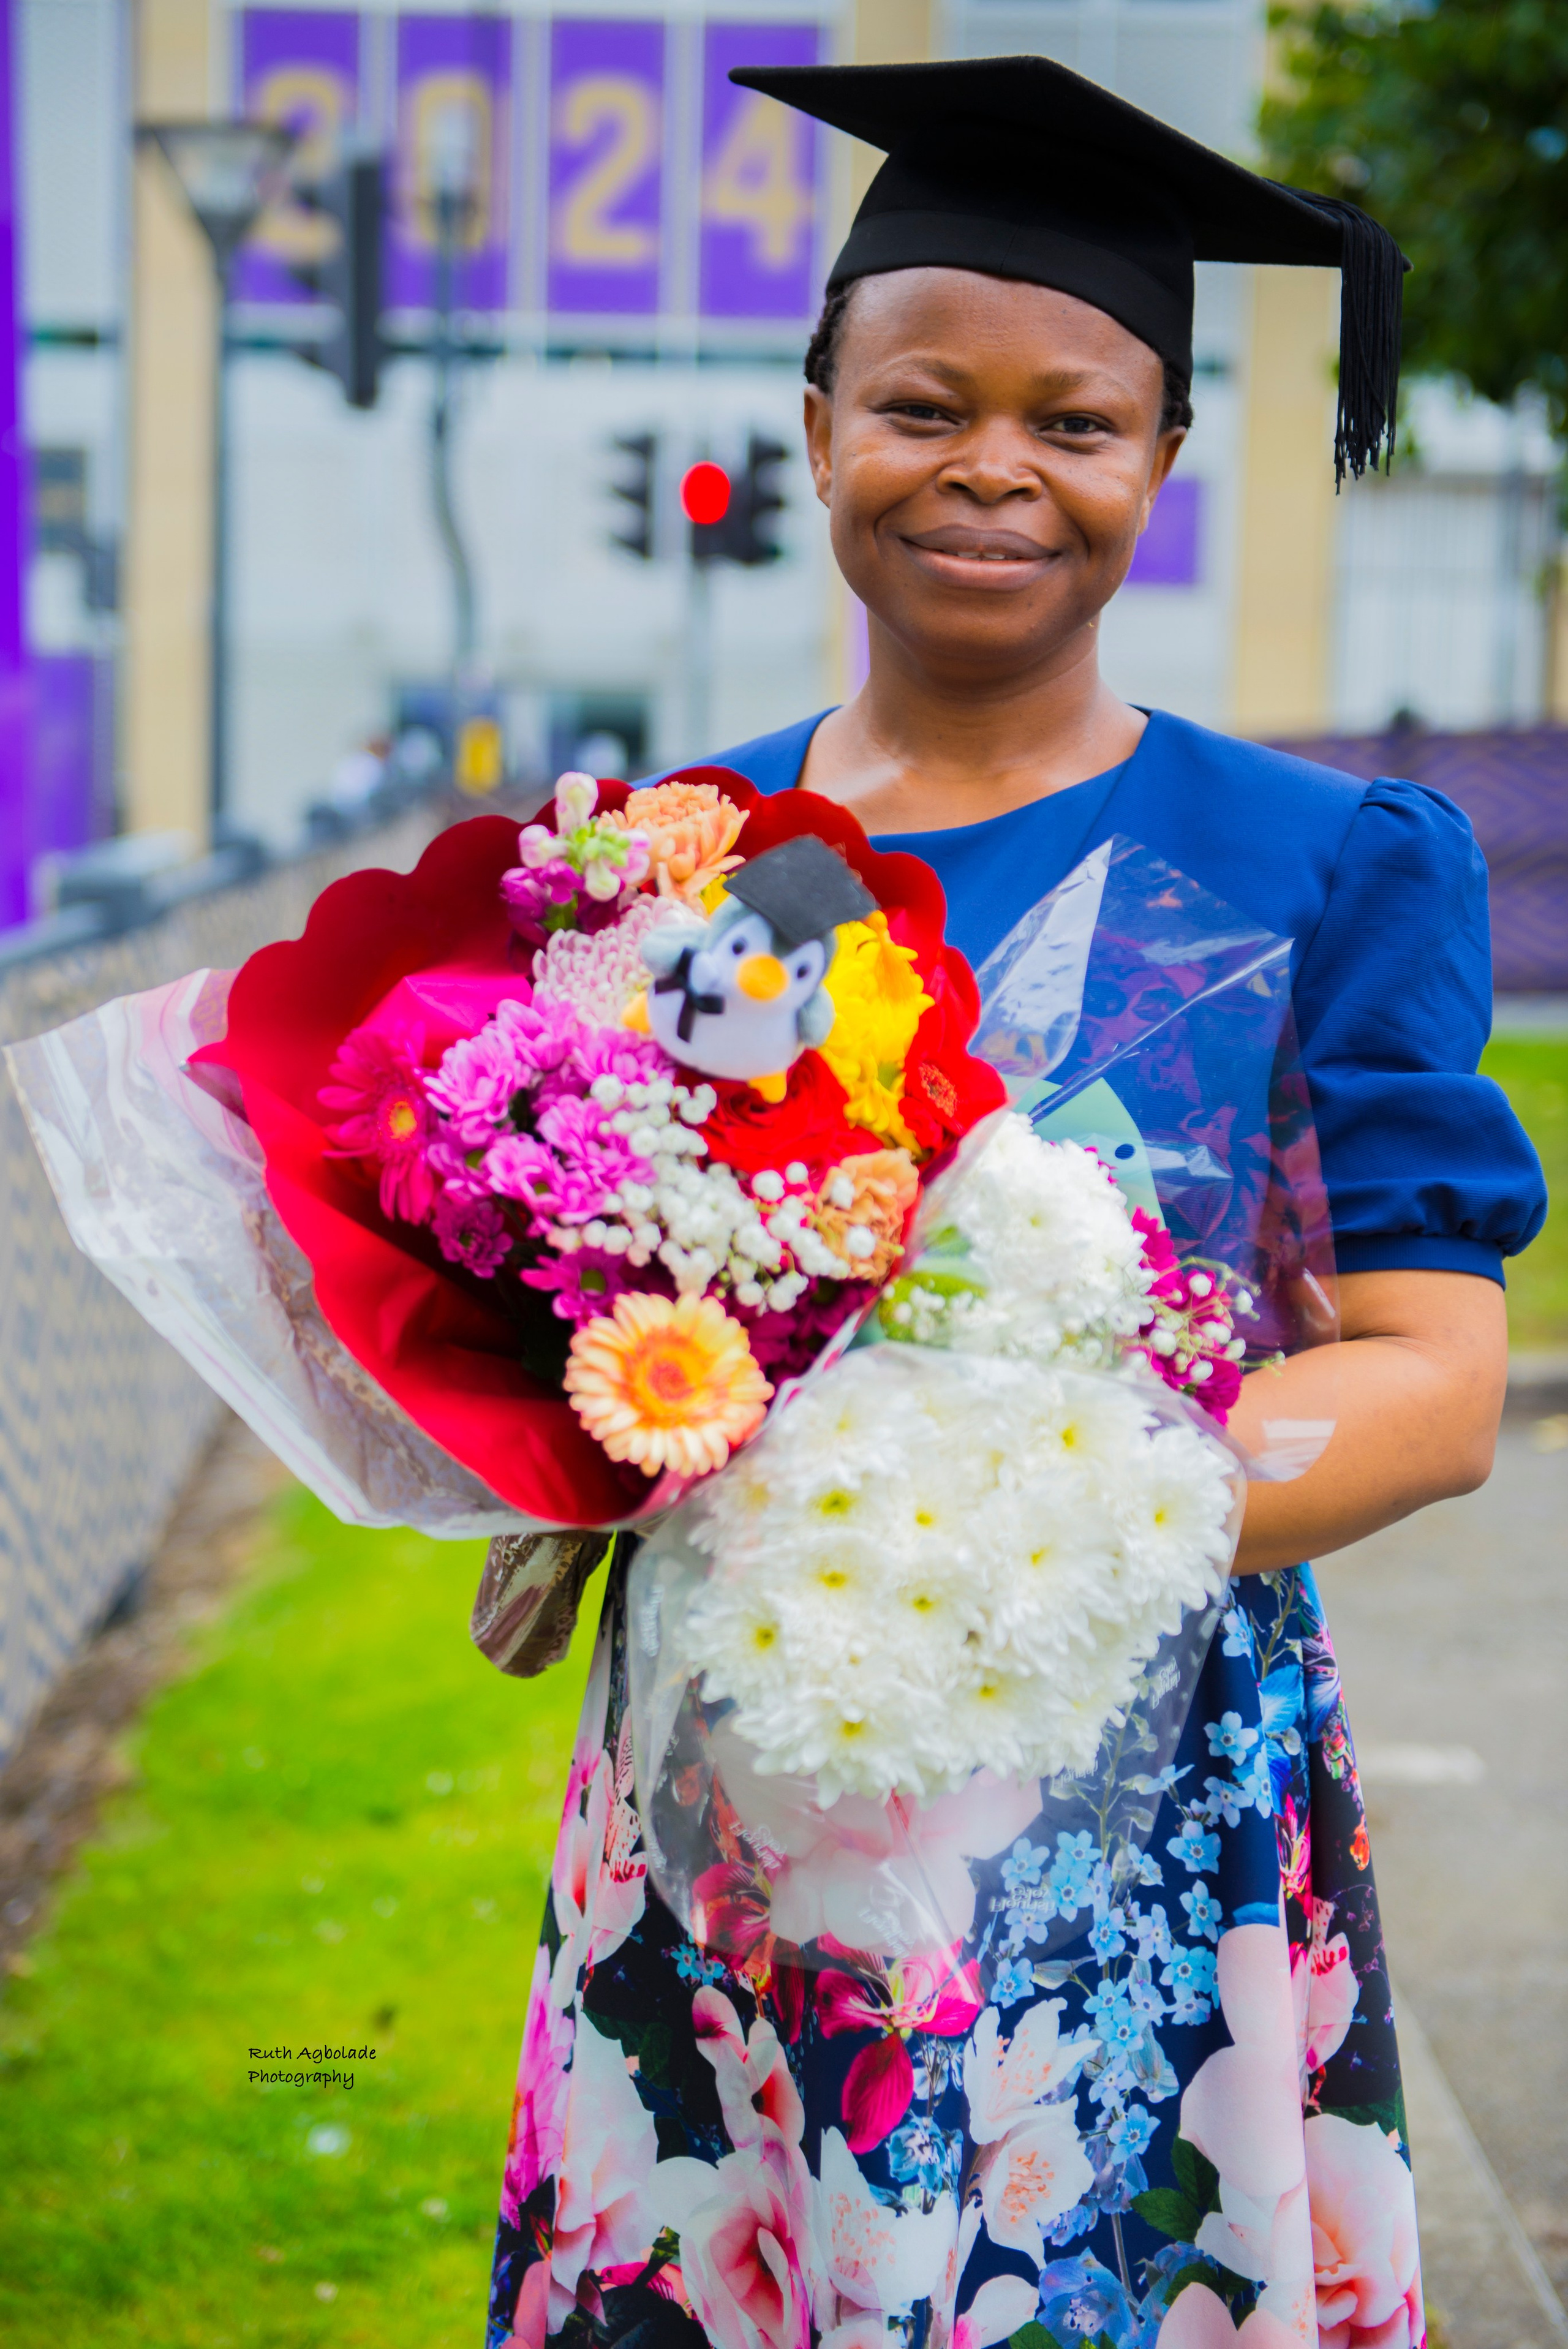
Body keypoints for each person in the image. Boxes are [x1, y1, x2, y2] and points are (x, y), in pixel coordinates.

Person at [487, 57, 1545, 2349]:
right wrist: (541, 1447)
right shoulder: (670, 861)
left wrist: (989, 1529)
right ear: (817, 420)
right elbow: (569, 1299)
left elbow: (1438, 1383)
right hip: (727, 1825)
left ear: (1162, 456)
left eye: (1076, 419)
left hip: (1139, 1811)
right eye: (923, 405)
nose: (993, 467)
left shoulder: (1326, 866)